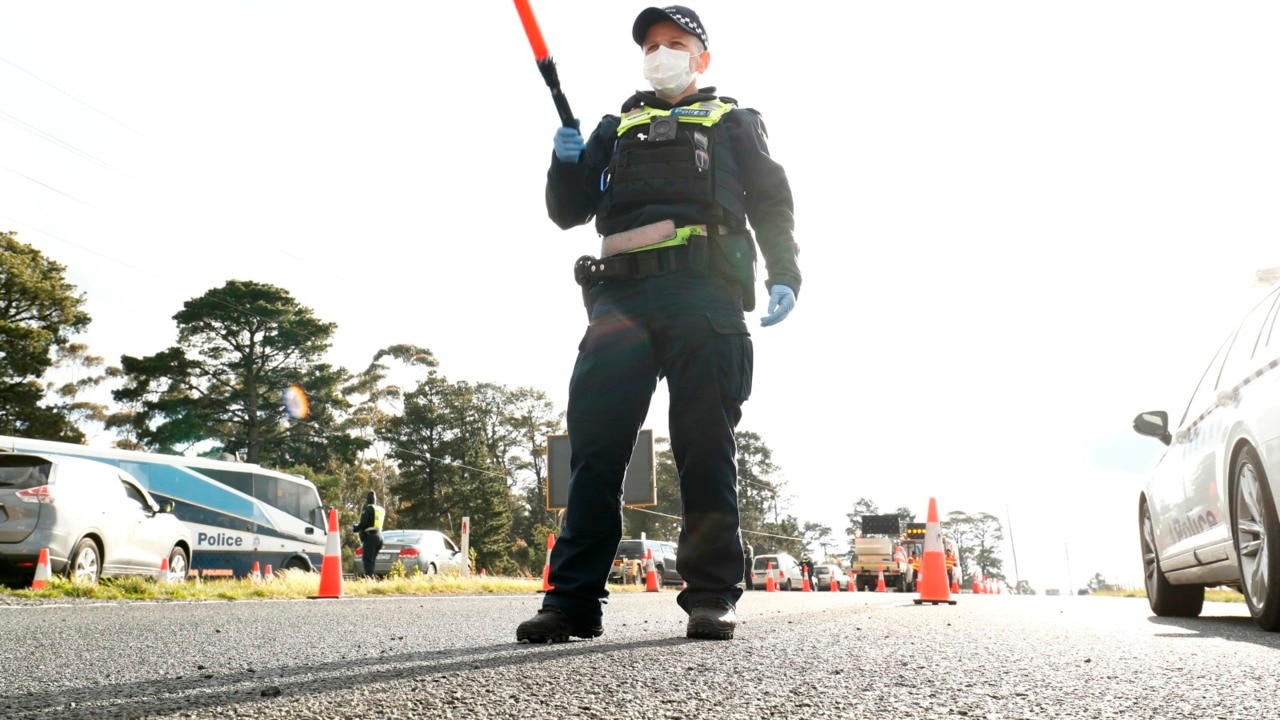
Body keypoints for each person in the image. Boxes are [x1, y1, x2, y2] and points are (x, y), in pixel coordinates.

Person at [516, 5, 801, 644]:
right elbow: (569, 212)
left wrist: (786, 272)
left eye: (676, 43)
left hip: (704, 292)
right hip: (619, 300)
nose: (661, 53)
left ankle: (710, 595)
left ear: (701, 58)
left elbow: (773, 203)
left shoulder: (734, 121)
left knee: (704, 441)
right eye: (651, 44)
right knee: (594, 449)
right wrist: (565, 162)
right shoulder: (616, 125)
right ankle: (571, 602)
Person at [351, 490, 385, 578]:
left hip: (371, 536)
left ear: (367, 499)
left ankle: (369, 579)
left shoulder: (368, 509)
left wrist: (355, 528)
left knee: (367, 560)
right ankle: (372, 577)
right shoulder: (380, 510)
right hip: (380, 536)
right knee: (372, 560)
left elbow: (363, 523)